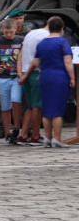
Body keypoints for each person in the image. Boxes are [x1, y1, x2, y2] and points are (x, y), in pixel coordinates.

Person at [32, 16, 75, 147]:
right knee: (58, 109)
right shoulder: (63, 42)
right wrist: (72, 77)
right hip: (59, 76)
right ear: (62, 29)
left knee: (47, 108)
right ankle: (57, 138)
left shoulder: (41, 43)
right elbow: (68, 62)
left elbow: (36, 61)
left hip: (45, 75)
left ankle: (47, 137)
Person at [17, 14, 50, 144]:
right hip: (35, 72)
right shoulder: (45, 37)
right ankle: (35, 135)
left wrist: (21, 73)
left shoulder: (31, 34)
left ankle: (23, 134)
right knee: (37, 106)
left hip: (25, 70)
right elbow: (37, 59)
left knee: (30, 107)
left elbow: (21, 54)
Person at [0, 18, 24, 144]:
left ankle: (16, 127)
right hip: (2, 77)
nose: (8, 35)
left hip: (16, 76)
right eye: (6, 32)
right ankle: (7, 132)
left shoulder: (21, 41)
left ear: (15, 29)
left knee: (16, 100)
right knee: (5, 106)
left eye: (11, 32)